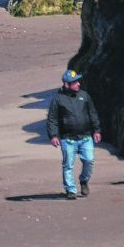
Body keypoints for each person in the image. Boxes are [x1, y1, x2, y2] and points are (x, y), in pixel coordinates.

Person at [46, 69, 101, 200]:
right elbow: (52, 119)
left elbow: (92, 113)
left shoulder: (84, 96)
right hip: (67, 139)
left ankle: (84, 180)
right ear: (66, 84)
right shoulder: (58, 99)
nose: (78, 84)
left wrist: (97, 130)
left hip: (86, 136)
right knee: (68, 165)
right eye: (75, 82)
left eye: (78, 81)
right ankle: (70, 189)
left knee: (89, 160)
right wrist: (53, 135)